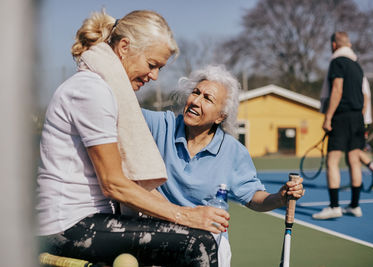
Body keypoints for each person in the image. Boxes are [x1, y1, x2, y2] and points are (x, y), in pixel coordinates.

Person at [36, 10, 229, 267]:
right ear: (124, 47)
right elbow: (113, 184)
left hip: (91, 220)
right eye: (152, 65)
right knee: (197, 244)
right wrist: (185, 215)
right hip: (66, 226)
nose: (155, 76)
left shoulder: (103, 89)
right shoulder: (91, 90)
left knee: (185, 237)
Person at [135, 65, 305, 266]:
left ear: (220, 116)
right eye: (195, 92)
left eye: (207, 98)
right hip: (158, 231)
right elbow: (122, 108)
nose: (196, 101)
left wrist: (280, 197)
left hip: (206, 238)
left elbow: (253, 197)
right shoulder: (162, 125)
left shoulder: (233, 151)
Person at [314, 32, 366, 219]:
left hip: (341, 116)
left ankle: (335, 206)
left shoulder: (337, 62)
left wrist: (328, 117)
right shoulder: (357, 66)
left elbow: (337, 89)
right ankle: (354, 206)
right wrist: (362, 120)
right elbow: (364, 95)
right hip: (358, 118)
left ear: (334, 45)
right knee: (354, 161)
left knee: (332, 161)